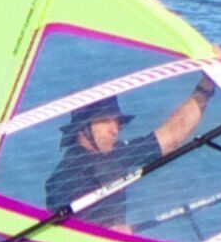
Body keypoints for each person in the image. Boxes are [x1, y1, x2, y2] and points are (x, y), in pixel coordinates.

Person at [45, 81, 211, 223]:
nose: (115, 129)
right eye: (105, 121)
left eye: (117, 122)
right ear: (83, 128)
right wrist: (110, 232)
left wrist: (208, 83)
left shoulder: (116, 154)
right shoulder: (64, 178)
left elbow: (171, 136)